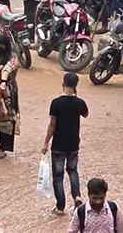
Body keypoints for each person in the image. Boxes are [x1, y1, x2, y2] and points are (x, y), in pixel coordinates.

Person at [42, 72, 89, 216]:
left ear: (63, 83)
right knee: (73, 171)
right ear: (76, 85)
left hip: (58, 145)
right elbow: (86, 114)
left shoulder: (56, 103)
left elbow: (52, 125)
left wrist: (45, 143)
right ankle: (77, 197)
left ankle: (60, 206)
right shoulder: (79, 102)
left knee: (58, 176)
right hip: (73, 144)